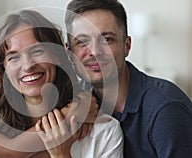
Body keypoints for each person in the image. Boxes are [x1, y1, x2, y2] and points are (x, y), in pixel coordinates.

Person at [64, 0, 192, 157]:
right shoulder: (76, 101)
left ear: (127, 45)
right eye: (82, 42)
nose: (95, 52)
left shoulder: (166, 109)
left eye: (107, 39)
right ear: (69, 53)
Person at [0, 9, 123, 158]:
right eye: (13, 58)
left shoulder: (104, 131)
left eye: (37, 51)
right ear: (5, 70)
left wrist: (62, 155)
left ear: (57, 55)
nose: (28, 65)